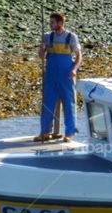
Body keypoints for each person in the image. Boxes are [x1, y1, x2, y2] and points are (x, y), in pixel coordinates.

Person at [34, 12, 82, 143]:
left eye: (53, 22)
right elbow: (41, 57)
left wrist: (74, 69)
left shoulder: (71, 37)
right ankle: (44, 132)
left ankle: (69, 133)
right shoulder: (47, 37)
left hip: (66, 76)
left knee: (69, 104)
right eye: (50, 22)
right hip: (51, 76)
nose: (50, 25)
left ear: (60, 23)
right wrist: (41, 49)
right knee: (47, 103)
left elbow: (79, 56)